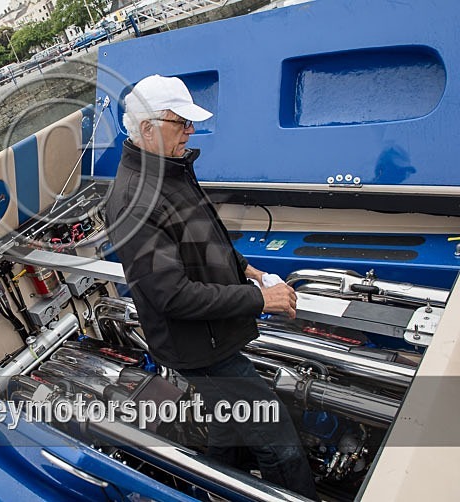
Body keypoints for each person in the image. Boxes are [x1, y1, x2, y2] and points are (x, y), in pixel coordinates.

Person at [104, 75, 318, 499]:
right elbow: (172, 295)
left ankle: (211, 486)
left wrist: (249, 271)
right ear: (148, 128)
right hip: (198, 346)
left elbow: (207, 239)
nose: (191, 131)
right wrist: (259, 299)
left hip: (214, 332)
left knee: (228, 424)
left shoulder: (171, 170)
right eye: (180, 122)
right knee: (280, 444)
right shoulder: (132, 199)